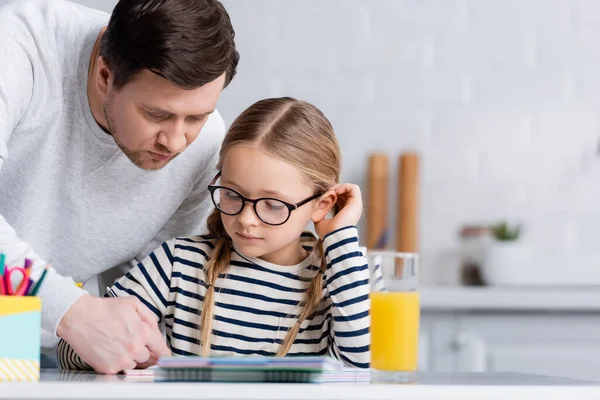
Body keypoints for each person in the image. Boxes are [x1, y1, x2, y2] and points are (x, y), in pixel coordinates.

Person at [0, 0, 239, 373]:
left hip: (34, 340)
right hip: (41, 321)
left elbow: (153, 283)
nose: (176, 142)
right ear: (105, 76)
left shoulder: (205, 145)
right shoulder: (16, 47)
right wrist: (69, 309)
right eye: (157, 114)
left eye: (196, 117)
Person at [57, 97, 371, 373]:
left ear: (323, 204)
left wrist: (340, 238)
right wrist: (129, 352)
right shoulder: (178, 264)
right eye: (232, 195)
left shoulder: (344, 277)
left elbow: (358, 372)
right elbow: (71, 350)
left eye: (273, 205)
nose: (246, 220)